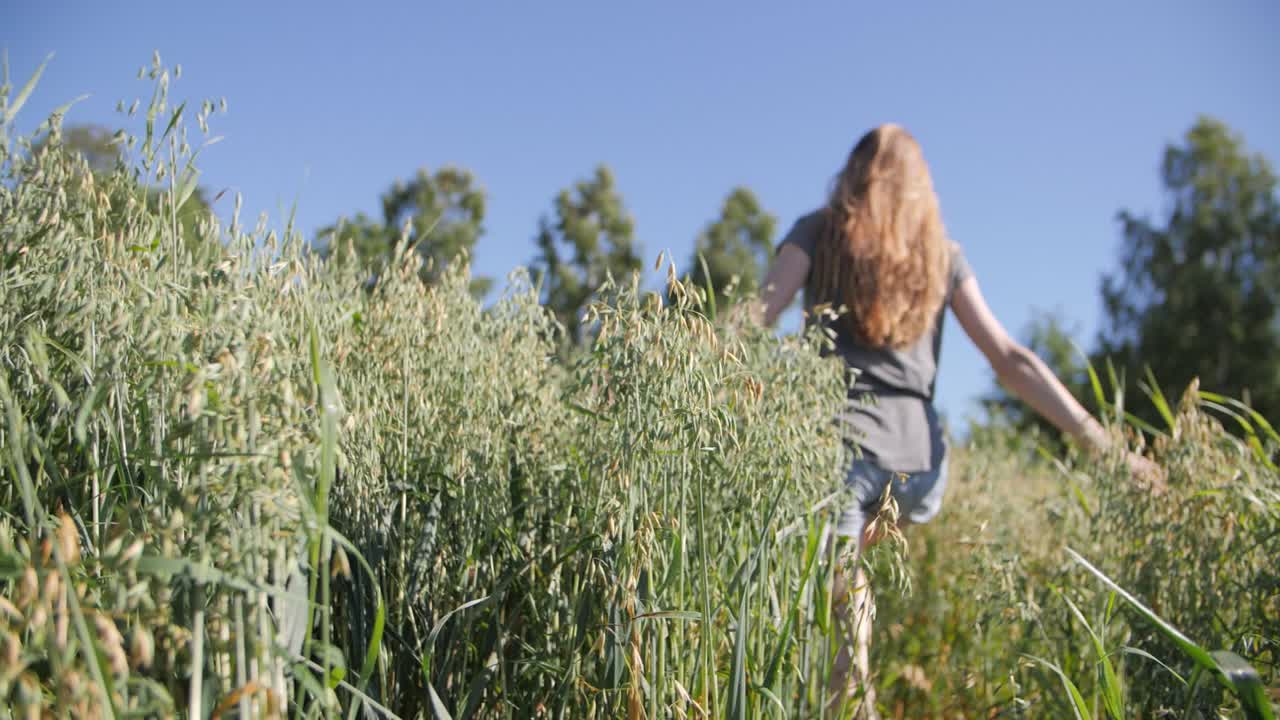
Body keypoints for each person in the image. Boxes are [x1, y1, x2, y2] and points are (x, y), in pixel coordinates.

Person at [751, 124, 1162, 717]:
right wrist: (1104, 446)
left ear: (851, 176)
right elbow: (1009, 359)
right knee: (852, 578)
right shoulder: (940, 252)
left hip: (835, 453)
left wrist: (683, 358)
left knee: (836, 620)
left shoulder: (818, 228)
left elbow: (759, 312)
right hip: (918, 470)